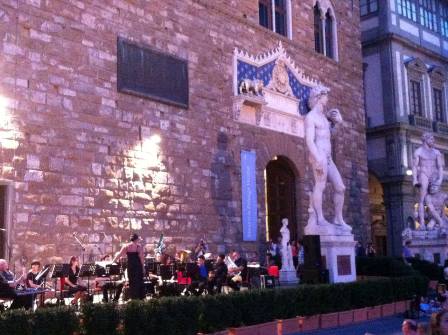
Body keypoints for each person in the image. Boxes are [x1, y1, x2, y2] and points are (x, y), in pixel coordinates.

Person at [305, 85, 351, 231]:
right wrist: (317, 158)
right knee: (320, 185)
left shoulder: (324, 118)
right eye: (326, 95)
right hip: (319, 155)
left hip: (328, 157)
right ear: (319, 97)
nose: (328, 98)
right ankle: (320, 218)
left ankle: (338, 218)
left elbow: (331, 136)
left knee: (340, 187)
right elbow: (309, 140)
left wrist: (338, 123)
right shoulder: (310, 117)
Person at [412, 132, 444, 227]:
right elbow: (414, 166)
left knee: (438, 197)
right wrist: (414, 179)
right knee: (421, 199)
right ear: (425, 140)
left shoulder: (437, 152)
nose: (433, 141)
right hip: (424, 174)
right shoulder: (418, 151)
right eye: (431, 139)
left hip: (434, 174)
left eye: (433, 139)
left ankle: (438, 220)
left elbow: (440, 167)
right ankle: (422, 223)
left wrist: (440, 179)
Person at [113, 233, 145, 300]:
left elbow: (119, 254)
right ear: (136, 239)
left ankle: (133, 298)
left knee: (132, 282)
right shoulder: (139, 247)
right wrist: (143, 268)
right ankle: (140, 298)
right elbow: (141, 258)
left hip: (130, 266)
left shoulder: (126, 246)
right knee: (138, 282)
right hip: (137, 267)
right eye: (138, 239)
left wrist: (113, 261)